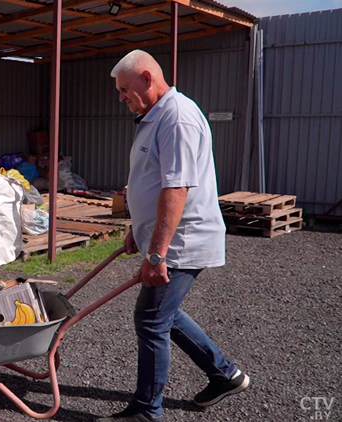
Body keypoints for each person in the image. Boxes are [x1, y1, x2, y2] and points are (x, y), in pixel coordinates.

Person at [99, 50, 249, 422]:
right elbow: (151, 180)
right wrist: (139, 230)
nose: (121, 97)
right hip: (167, 240)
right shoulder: (153, 117)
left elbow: (176, 188)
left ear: (147, 79)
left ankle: (147, 410)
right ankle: (225, 374)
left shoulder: (177, 118)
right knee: (164, 314)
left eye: (124, 89)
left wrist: (157, 254)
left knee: (150, 319)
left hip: (183, 242)